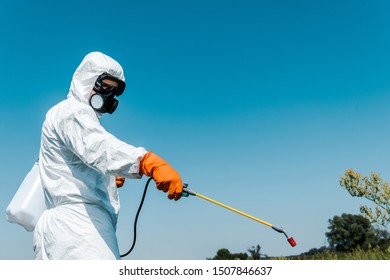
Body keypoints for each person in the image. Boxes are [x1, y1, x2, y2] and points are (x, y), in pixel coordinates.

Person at [33, 51, 182, 260]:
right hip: (79, 228)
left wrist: (107, 180)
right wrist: (146, 162)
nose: (108, 95)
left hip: (64, 230)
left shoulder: (70, 115)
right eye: (105, 86)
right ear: (87, 79)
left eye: (114, 91)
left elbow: (76, 163)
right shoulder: (73, 111)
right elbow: (99, 148)